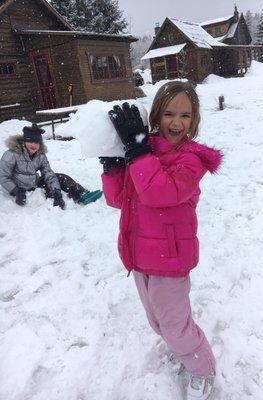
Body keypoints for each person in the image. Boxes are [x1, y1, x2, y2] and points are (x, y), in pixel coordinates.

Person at [99, 81, 222, 400]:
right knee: (158, 321)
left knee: (174, 326)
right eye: (168, 113)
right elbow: (119, 199)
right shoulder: (143, 152)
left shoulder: (191, 161)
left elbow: (159, 194)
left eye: (185, 115)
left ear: (194, 121)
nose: (176, 122)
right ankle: (184, 350)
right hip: (139, 256)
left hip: (170, 260)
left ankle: (202, 368)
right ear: (156, 115)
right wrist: (113, 166)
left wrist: (138, 152)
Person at [0, 123, 102, 208]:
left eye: (36, 142)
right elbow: (3, 176)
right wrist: (16, 191)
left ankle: (82, 195)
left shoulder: (40, 155)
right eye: (30, 141)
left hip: (35, 186)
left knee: (60, 177)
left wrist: (57, 192)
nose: (33, 145)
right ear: (24, 141)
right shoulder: (12, 154)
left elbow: (48, 173)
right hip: (19, 190)